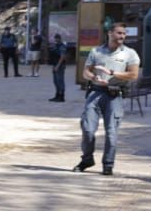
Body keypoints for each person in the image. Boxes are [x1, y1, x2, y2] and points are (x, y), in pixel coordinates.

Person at [75, 21, 140, 175]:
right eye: (119, 33)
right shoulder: (96, 51)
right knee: (88, 129)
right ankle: (87, 159)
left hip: (114, 95)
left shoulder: (130, 53)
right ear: (110, 33)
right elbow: (86, 72)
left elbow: (133, 75)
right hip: (95, 93)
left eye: (124, 34)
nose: (122, 36)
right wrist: (94, 78)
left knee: (111, 133)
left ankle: (108, 164)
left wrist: (111, 73)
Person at [49, 33, 69, 102]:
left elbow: (62, 57)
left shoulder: (62, 46)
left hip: (60, 66)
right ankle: (57, 95)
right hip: (55, 65)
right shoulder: (55, 45)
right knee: (55, 81)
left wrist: (57, 66)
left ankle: (61, 96)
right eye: (55, 38)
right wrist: (54, 66)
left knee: (60, 81)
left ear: (60, 38)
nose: (56, 39)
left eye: (57, 38)